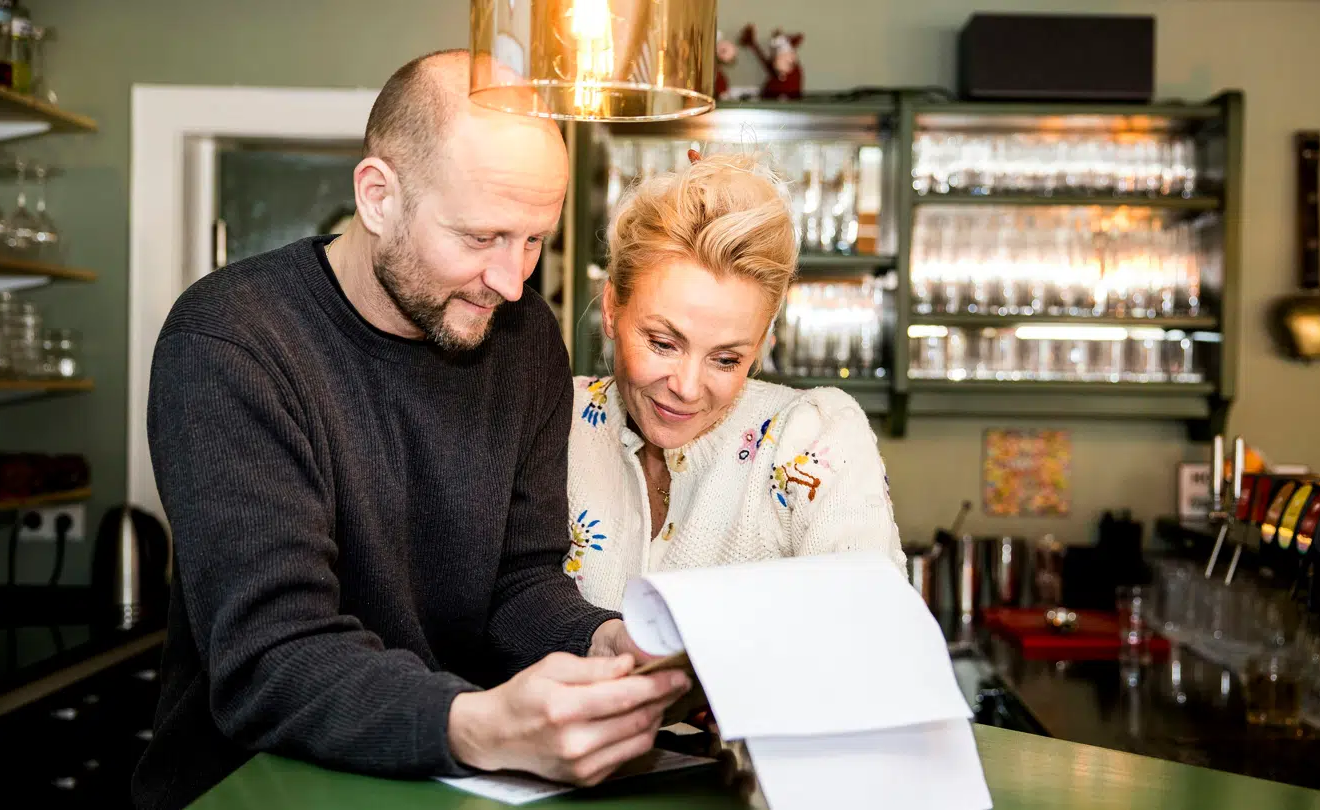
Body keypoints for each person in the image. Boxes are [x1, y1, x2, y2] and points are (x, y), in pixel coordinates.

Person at [133, 50, 689, 810]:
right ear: (378, 196)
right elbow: (272, 656)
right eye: (480, 236)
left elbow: (519, 582)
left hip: (440, 781)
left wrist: (604, 643)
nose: (512, 279)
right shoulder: (230, 343)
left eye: (535, 240)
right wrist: (482, 724)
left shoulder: (523, 336)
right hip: (249, 788)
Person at [564, 151, 907, 610]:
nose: (686, 387)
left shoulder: (814, 437)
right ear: (611, 307)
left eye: (725, 359)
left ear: (763, 342)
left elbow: (870, 639)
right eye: (663, 343)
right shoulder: (552, 420)